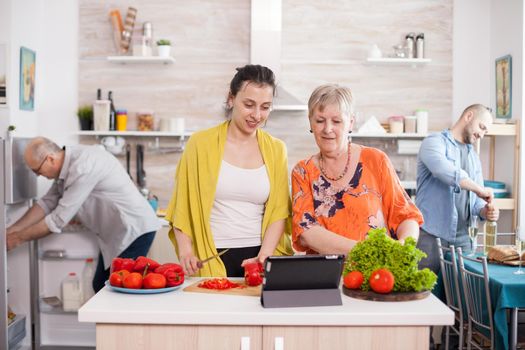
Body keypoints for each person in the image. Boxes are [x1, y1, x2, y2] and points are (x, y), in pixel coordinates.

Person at [165, 64, 293, 277]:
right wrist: (186, 251)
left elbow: (279, 212)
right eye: (249, 104)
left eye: (265, 107)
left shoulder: (277, 150)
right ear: (231, 98)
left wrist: (264, 258)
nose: (257, 115)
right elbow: (183, 204)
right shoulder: (200, 144)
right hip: (211, 255)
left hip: (259, 257)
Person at [6, 137, 160, 292]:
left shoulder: (82, 166)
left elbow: (57, 220)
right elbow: (46, 203)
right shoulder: (66, 167)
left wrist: (17, 239)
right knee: (101, 285)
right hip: (117, 234)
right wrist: (11, 230)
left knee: (119, 289)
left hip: (134, 230)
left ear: (50, 159)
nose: (38, 175)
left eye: (37, 171)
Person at [292, 84, 423, 254]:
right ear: (311, 122)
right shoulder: (302, 171)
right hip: (326, 275)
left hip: (377, 275)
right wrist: (366, 251)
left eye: (337, 121)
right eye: (320, 120)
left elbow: (405, 215)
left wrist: (404, 246)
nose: (327, 129)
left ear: (350, 123)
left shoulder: (376, 160)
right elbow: (306, 232)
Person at [416, 104, 499, 274]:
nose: (481, 135)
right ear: (469, 116)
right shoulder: (433, 142)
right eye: (481, 127)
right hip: (432, 237)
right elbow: (444, 171)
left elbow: (475, 203)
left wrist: (485, 211)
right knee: (425, 293)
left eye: (485, 132)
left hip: (464, 241)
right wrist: (479, 189)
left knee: (461, 299)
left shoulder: (473, 157)